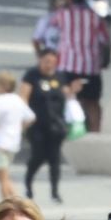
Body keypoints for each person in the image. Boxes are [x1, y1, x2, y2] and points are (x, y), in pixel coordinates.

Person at [41, 0, 110, 132]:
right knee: (92, 103)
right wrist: (104, 59)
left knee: (68, 99)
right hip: (90, 67)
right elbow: (105, 40)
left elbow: (48, 33)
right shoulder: (96, 17)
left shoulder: (62, 15)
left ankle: (68, 130)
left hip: (68, 66)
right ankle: (95, 132)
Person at [19, 50, 80, 204]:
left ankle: (54, 192)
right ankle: (28, 184)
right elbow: (23, 97)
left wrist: (73, 90)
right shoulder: (32, 75)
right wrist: (24, 119)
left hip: (56, 126)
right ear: (40, 60)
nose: (49, 65)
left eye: (52, 62)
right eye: (46, 61)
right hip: (37, 125)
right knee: (38, 157)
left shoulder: (59, 77)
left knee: (55, 159)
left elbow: (66, 95)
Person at [0, 71, 35, 202]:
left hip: (0, 141)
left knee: (3, 177)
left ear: (2, 86)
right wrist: (21, 127)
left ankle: (11, 202)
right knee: (4, 174)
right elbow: (31, 117)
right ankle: (13, 201)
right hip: (13, 141)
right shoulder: (18, 100)